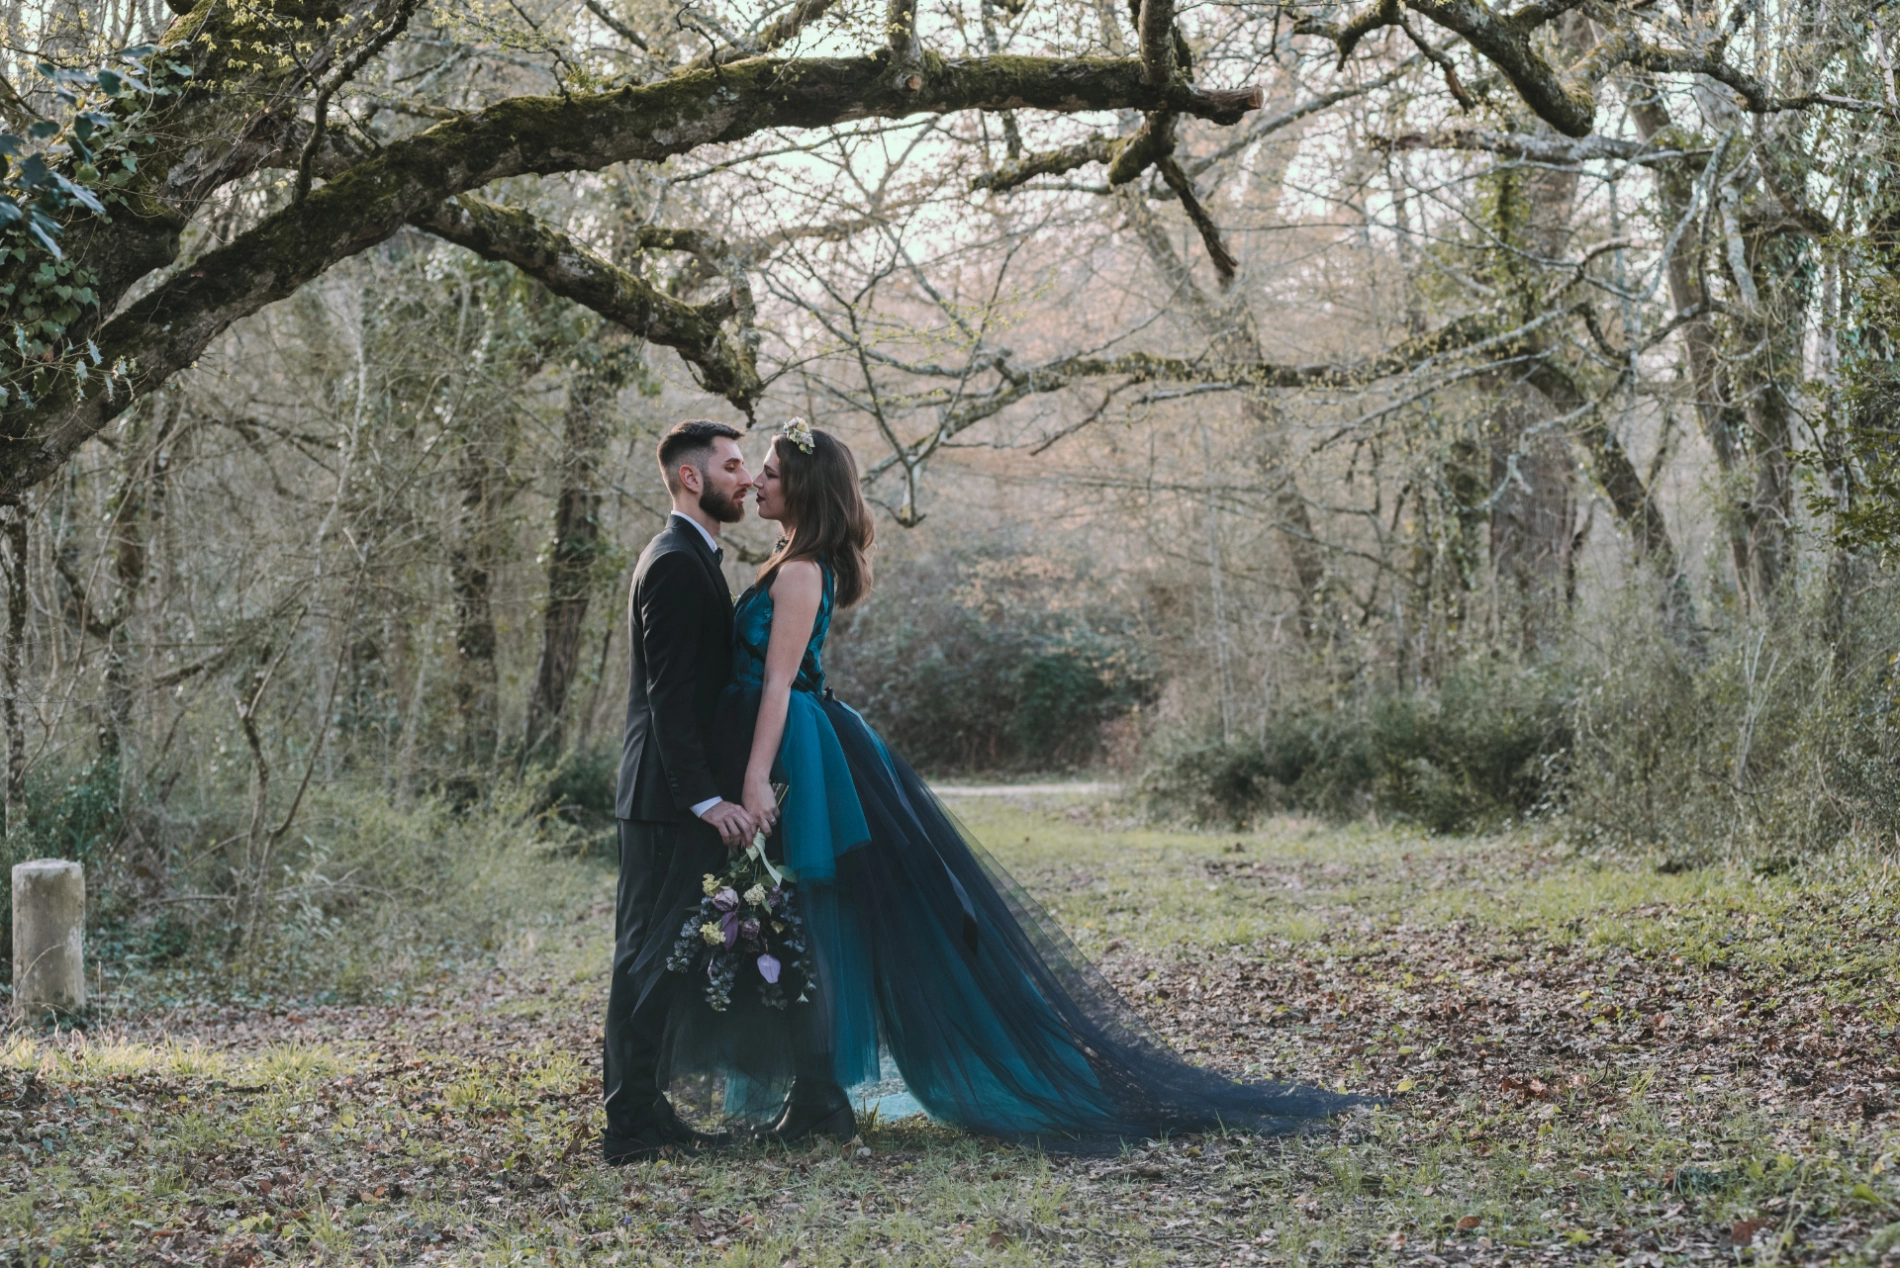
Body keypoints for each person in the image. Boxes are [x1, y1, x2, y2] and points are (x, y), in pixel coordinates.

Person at [637, 416, 1372, 1148]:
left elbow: (779, 684)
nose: (755, 481)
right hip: (780, 741)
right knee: (793, 916)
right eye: (752, 470)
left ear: (802, 487)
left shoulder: (800, 571)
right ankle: (815, 1094)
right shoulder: (789, 561)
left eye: (768, 472)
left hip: (789, 749)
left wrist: (756, 779)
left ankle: (820, 1096)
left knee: (808, 918)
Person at [600, 420, 759, 1164]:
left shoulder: (693, 556)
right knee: (643, 955)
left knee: (663, 956)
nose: (746, 479)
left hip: (671, 796)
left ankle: (648, 1107)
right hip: (662, 800)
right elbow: (667, 697)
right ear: (692, 477)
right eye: (733, 466)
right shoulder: (671, 562)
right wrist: (704, 799)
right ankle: (628, 1125)